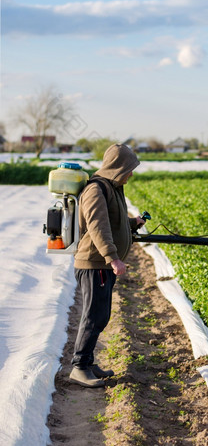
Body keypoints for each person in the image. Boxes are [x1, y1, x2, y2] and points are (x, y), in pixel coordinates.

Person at [69, 143, 145, 388]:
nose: (131, 173)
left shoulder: (112, 187)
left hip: (100, 266)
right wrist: (113, 259)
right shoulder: (95, 189)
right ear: (118, 166)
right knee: (93, 316)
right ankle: (79, 367)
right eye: (129, 168)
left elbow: (113, 220)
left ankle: (88, 363)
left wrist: (132, 223)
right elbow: (98, 227)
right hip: (95, 264)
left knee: (100, 315)